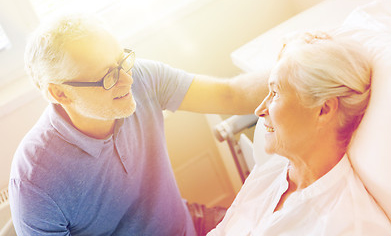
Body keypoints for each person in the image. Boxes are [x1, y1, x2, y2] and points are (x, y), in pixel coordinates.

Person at [8, 14, 269, 236]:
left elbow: (231, 94)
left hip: (187, 223)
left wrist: (295, 67)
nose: (127, 79)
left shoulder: (142, 77)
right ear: (60, 94)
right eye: (107, 76)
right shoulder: (34, 183)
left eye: (122, 60)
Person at [207, 31, 391, 235]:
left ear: (324, 110)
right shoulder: (273, 167)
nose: (259, 109)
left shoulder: (348, 226)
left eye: (275, 93)